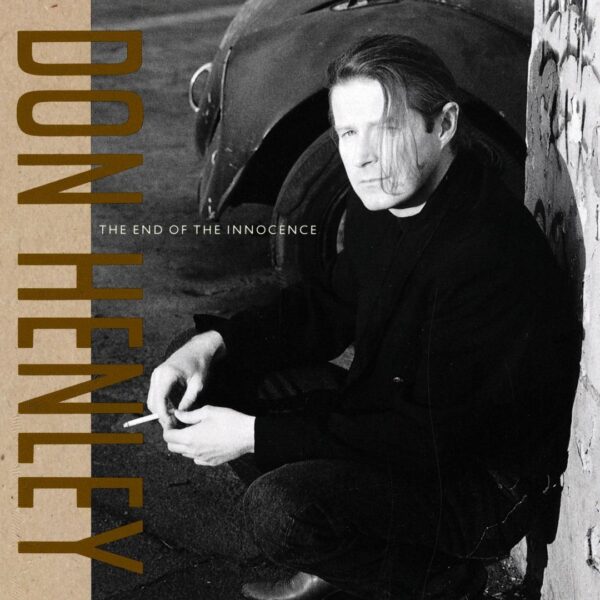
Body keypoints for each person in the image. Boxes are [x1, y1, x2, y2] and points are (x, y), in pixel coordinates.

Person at [147, 35, 581, 600]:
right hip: (393, 421)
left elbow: (428, 439)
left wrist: (252, 435)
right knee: (204, 374)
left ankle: (442, 580)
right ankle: (345, 554)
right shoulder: (387, 195)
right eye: (349, 133)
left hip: (477, 486)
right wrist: (210, 344)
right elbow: (328, 307)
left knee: (279, 510)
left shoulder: (486, 252)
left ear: (443, 125)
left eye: (387, 128)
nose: (363, 156)